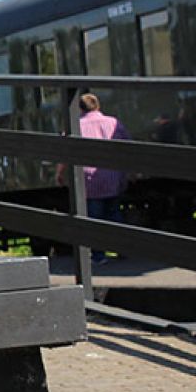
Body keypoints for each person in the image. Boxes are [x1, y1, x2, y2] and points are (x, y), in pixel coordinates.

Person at [73, 93, 128, 264]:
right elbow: (127, 145)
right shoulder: (112, 122)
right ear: (97, 106)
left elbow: (66, 151)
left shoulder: (76, 126)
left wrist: (60, 175)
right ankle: (122, 249)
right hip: (113, 177)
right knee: (114, 213)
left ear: (80, 108)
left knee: (94, 218)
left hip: (90, 182)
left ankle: (99, 256)